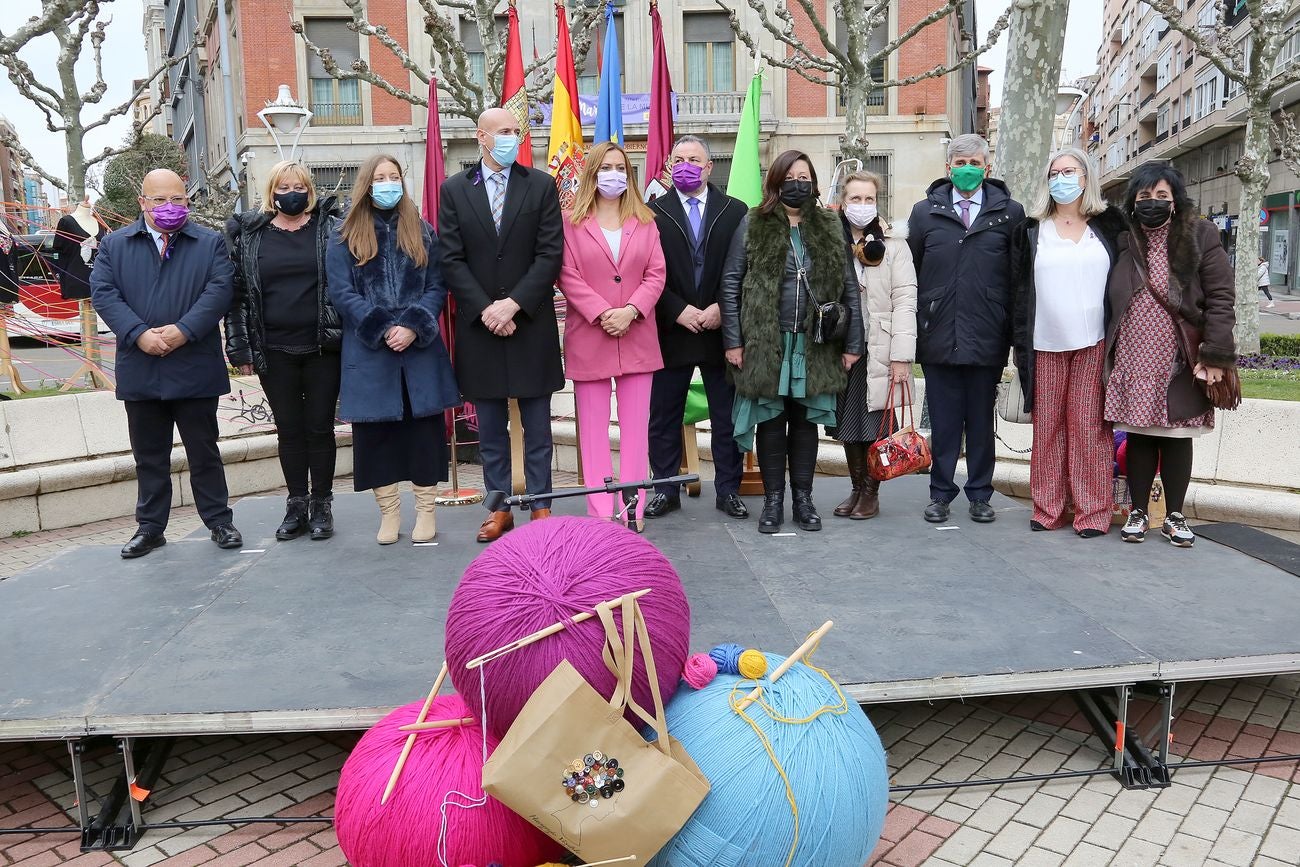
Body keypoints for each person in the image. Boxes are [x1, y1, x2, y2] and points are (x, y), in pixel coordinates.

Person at [90, 168, 242, 558]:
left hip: (194, 365)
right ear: (142, 202)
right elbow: (104, 293)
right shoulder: (115, 245)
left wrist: (184, 330)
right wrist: (139, 333)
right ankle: (151, 527)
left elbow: (220, 289)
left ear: (187, 201)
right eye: (159, 199)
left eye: (176, 199)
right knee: (149, 456)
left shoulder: (209, 243)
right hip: (141, 365)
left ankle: (219, 521)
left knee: (204, 451)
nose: (168, 206)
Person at [720, 150, 864, 534]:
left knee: (804, 423)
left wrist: (853, 344)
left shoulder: (830, 225)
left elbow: (849, 287)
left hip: (815, 343)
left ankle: (804, 500)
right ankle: (773, 501)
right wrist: (733, 341)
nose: (797, 184)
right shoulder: (753, 222)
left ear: (813, 183)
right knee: (771, 421)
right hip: (766, 341)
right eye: (790, 177)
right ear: (776, 182)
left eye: (804, 178)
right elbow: (731, 283)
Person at [439, 107, 565, 543]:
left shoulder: (541, 185)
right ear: (481, 136)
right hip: (481, 329)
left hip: (530, 323)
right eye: (504, 131)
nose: (513, 137)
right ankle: (499, 509)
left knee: (538, 428)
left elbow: (549, 254)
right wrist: (486, 310)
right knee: (490, 429)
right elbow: (451, 258)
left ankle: (541, 505)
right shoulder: (455, 189)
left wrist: (512, 305)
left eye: (516, 131)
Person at [326, 154, 460, 545]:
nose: (388, 184)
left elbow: (437, 284)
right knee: (376, 437)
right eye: (380, 178)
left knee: (424, 434)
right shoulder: (344, 235)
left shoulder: (422, 229)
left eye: (394, 176)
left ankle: (426, 511)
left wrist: (413, 326)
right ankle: (388, 513)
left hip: (419, 352)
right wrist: (384, 328)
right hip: (370, 352)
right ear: (367, 185)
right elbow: (342, 292)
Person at [1104, 161, 1235, 548]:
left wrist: (1215, 355)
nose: (1153, 202)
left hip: (1180, 355)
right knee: (1140, 434)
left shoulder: (1200, 235)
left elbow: (1221, 297)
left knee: (1177, 434)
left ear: (1176, 200)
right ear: (1133, 200)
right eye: (1145, 195)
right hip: (1133, 354)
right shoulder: (1124, 239)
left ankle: (1175, 515)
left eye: (1162, 195)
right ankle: (1139, 512)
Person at [907, 133, 1026, 524]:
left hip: (987, 334)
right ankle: (940, 494)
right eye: (960, 163)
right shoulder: (924, 213)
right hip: (938, 333)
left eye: (974, 163)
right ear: (948, 168)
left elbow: (1017, 278)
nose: (967, 169)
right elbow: (912, 272)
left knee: (980, 423)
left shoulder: (1011, 213)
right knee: (943, 423)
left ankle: (980, 494)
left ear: (987, 167)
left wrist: (1013, 335)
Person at [1010, 148, 1128, 538]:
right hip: (1043, 343)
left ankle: (1093, 511)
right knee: (1047, 427)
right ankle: (1048, 508)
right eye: (1054, 172)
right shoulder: (1031, 229)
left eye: (1069, 171)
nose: (1061, 179)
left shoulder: (1109, 225)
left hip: (1094, 342)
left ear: (1085, 177)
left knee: (1089, 427)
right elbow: (1017, 289)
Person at [225, 161, 343, 542]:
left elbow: (345, 283)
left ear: (309, 190)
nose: (291, 193)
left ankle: (321, 504)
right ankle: (296, 504)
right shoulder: (250, 236)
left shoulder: (330, 229)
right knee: (288, 429)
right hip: (273, 349)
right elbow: (237, 297)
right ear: (271, 191)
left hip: (323, 347)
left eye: (298, 186)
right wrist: (239, 347)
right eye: (283, 187)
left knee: (320, 428)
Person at [557, 142, 667, 528]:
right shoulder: (569, 222)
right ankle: (601, 511)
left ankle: (634, 507)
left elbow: (656, 274)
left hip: (637, 335)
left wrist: (631, 310)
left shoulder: (646, 220)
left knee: (636, 429)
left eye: (621, 168)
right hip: (591, 336)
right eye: (606, 167)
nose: (614, 174)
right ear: (592, 173)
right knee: (593, 429)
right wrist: (604, 313)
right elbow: (566, 274)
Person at [645, 135, 750, 520]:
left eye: (694, 159)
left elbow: (747, 269)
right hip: (672, 330)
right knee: (663, 416)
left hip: (722, 330)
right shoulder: (652, 212)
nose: (685, 166)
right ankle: (665, 489)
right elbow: (645, 271)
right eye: (679, 160)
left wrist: (723, 307)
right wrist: (677, 309)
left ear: (709, 167)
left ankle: (728, 490)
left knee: (727, 416)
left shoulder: (735, 211)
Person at [830, 170, 917, 520]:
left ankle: (870, 492)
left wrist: (902, 357)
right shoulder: (829, 241)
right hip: (841, 348)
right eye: (855, 198)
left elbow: (905, 301)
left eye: (869, 199)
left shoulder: (894, 244)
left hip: (880, 348)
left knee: (873, 426)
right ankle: (855, 487)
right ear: (843, 201)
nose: (862, 205)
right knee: (847, 424)